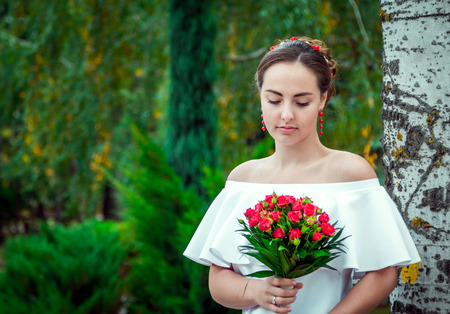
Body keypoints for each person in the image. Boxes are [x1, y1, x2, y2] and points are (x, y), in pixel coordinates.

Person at [184, 36, 420, 313]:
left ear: (323, 99)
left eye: (301, 102)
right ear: (261, 98)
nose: (285, 115)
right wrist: (257, 291)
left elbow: (383, 272)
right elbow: (218, 281)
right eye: (274, 100)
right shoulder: (244, 179)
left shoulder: (350, 173)